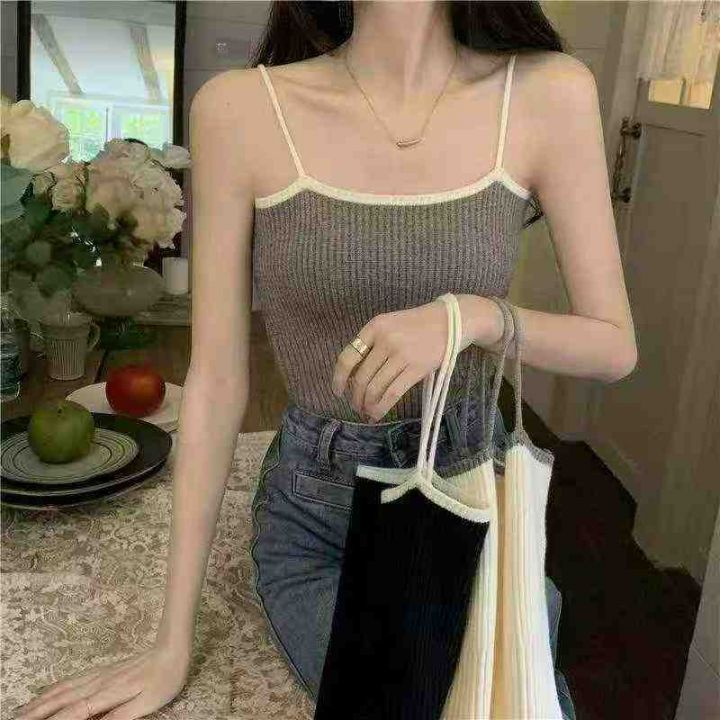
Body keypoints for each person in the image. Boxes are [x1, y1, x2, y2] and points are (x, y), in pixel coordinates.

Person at [15, 2, 638, 719]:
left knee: (513, 703)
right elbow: (216, 382)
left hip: (474, 496)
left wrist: (472, 318)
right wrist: (170, 643)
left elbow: (612, 345)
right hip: (318, 519)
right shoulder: (240, 110)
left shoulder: (547, 92)